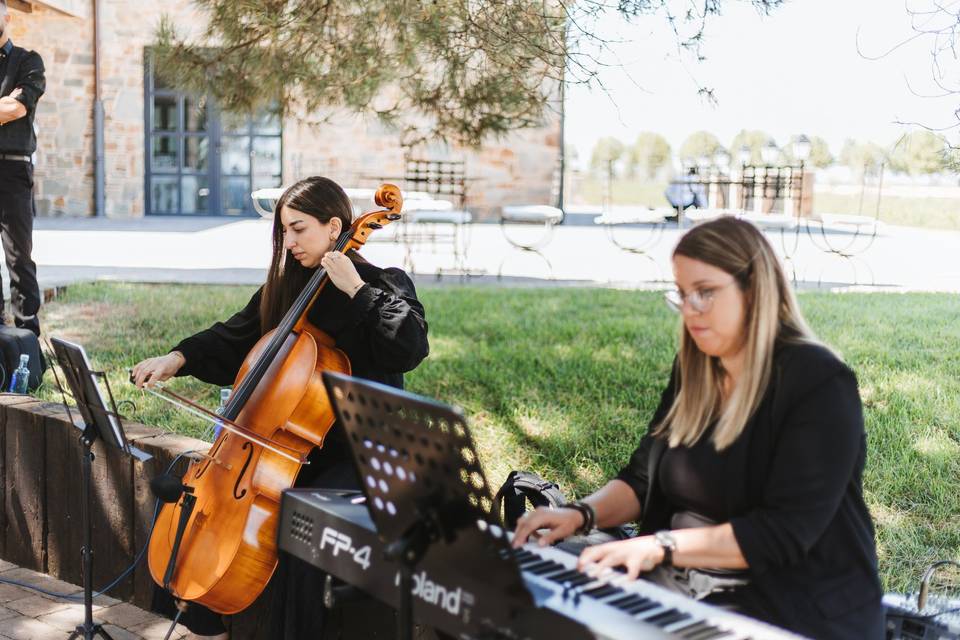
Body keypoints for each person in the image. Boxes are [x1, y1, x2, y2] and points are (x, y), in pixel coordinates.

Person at [512, 216, 883, 639]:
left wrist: (659, 547)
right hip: (683, 589)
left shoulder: (819, 381)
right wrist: (579, 514)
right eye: (683, 294)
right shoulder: (696, 369)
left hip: (794, 609)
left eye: (705, 293)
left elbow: (781, 534)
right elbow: (642, 478)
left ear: (755, 287)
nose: (690, 310)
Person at [132, 176, 430, 639]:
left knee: (301, 518)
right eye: (283, 232)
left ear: (335, 227)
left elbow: (408, 345)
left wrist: (357, 291)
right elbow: (235, 336)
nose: (288, 242)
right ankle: (199, 624)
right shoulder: (291, 285)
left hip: (361, 449)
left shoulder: (382, 282)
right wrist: (178, 358)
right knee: (193, 497)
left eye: (298, 229)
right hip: (289, 447)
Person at [0, 0, 45, 337]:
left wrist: (11, 104)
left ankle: (28, 339)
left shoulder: (28, 61)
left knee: (19, 259)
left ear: (7, 16)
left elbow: (16, 108)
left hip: (13, 171)